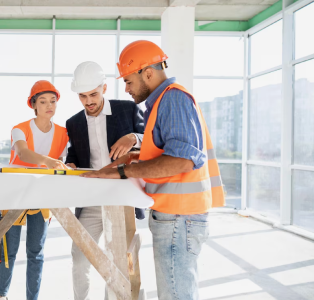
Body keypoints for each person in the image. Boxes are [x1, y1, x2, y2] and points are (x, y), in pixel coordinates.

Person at [82, 41, 225, 300]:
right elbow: (167, 151)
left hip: (179, 217)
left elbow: (183, 160)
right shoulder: (162, 101)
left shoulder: (173, 99)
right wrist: (136, 155)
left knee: (176, 294)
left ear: (147, 72)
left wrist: (125, 171)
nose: (125, 89)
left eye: (128, 81)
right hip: (175, 216)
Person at [64, 61, 146, 300]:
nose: (88, 101)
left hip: (121, 196)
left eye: (93, 94)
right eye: (82, 96)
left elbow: (150, 140)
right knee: (80, 257)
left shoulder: (127, 109)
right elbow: (74, 153)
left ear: (104, 88)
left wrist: (132, 137)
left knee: (121, 260)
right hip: (90, 199)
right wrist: (70, 163)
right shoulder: (73, 122)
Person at [0, 80, 69, 300]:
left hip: (42, 195)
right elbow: (24, 153)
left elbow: (69, 160)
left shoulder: (64, 133)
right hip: (14, 194)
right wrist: (48, 161)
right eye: (43, 101)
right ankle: (2, 295)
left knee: (36, 253)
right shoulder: (20, 129)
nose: (49, 105)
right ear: (33, 105)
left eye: (53, 101)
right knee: (9, 250)